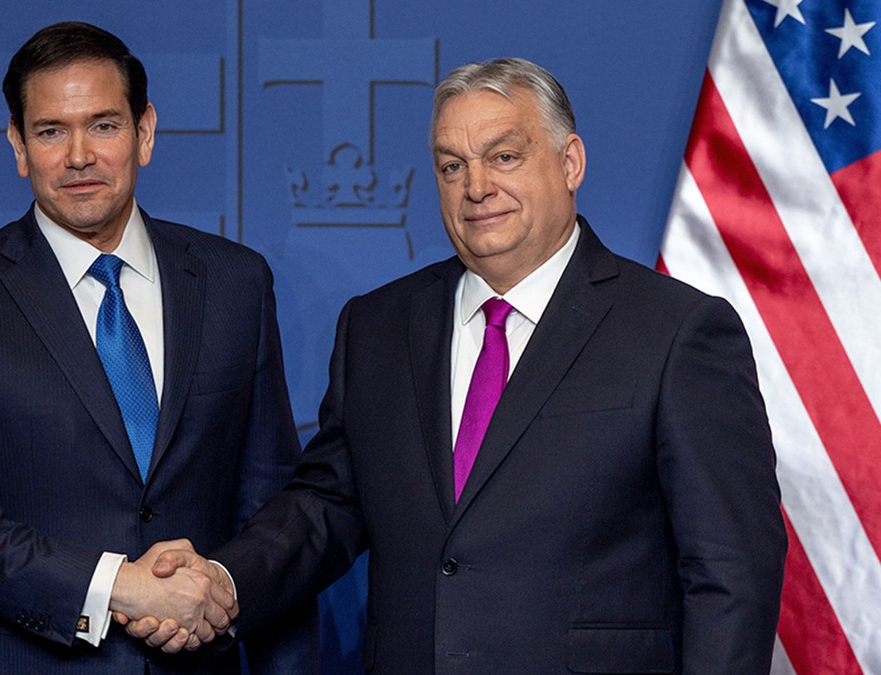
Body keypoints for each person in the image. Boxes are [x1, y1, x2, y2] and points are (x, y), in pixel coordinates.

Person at [137, 57, 787, 673]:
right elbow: (327, 504)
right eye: (452, 166)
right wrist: (223, 579)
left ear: (570, 161)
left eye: (505, 156)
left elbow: (732, 572)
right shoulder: (378, 326)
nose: (477, 187)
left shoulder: (676, 331)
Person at [0, 21, 316, 674]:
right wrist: (117, 584)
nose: (78, 155)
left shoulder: (235, 282)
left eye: (104, 125)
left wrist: (219, 584)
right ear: (19, 145)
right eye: (52, 130)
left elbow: (273, 506)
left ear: (144, 132)